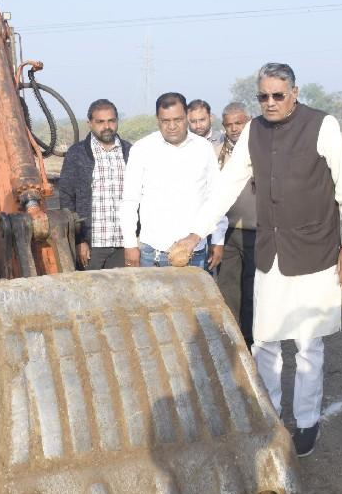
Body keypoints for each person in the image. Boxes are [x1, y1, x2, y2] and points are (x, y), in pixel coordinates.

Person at [169, 63, 342, 457]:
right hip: (271, 253)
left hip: (315, 252)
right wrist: (195, 233)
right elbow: (227, 186)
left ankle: (306, 421)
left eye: (278, 95)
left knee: (308, 344)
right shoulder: (253, 131)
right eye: (263, 96)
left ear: (295, 92)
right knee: (265, 341)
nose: (270, 102)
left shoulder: (322, 125)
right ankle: (270, 415)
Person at [121, 92, 226, 269]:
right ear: (157, 120)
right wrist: (130, 244)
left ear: (187, 116)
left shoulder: (203, 148)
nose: (172, 126)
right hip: (153, 252)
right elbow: (130, 200)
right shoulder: (142, 149)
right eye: (165, 121)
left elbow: (216, 197)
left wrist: (218, 239)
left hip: (195, 252)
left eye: (178, 120)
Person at [59, 98, 132, 270]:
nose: (107, 126)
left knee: (122, 286)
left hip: (124, 243)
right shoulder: (77, 153)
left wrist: (135, 238)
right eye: (100, 122)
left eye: (111, 121)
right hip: (92, 246)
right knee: (90, 286)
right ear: (90, 123)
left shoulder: (130, 151)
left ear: (117, 121)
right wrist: (79, 240)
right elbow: (67, 198)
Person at [214, 102, 254, 345]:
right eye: (229, 124)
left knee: (253, 289)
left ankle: (251, 341)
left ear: (249, 122)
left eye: (239, 123)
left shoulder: (261, 149)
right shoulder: (216, 152)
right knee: (228, 288)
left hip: (257, 232)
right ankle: (231, 340)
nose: (234, 128)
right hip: (226, 232)